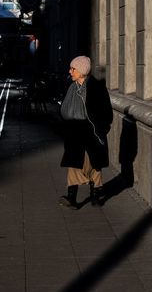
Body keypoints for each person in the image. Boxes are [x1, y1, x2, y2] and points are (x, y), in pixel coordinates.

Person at [58, 55, 113, 208]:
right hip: (75, 133)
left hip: (92, 133)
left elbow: (106, 112)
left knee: (94, 165)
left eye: (73, 69)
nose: (70, 71)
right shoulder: (72, 88)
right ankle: (72, 198)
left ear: (81, 70)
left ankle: (95, 196)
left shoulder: (96, 87)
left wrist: (102, 129)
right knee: (74, 164)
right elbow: (64, 109)